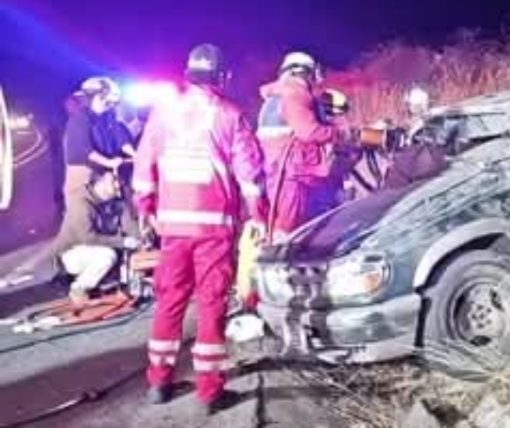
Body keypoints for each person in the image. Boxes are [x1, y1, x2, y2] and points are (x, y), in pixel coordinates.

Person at [132, 43, 266, 414]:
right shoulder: (230, 115)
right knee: (211, 304)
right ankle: (209, 391)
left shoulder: (163, 113)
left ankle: (159, 383)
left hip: (172, 228)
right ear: (222, 77)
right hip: (214, 231)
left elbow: (144, 165)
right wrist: (258, 215)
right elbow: (250, 175)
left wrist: (144, 206)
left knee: (169, 301)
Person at [256, 51, 351, 242]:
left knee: (282, 228)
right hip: (292, 174)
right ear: (305, 72)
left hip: (278, 171)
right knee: (290, 231)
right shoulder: (295, 92)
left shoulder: (277, 95)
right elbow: (308, 131)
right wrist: (337, 134)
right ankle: (283, 258)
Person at [0, 172, 139, 299]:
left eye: (118, 181)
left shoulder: (116, 201)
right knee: (107, 256)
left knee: (117, 255)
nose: (117, 185)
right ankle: (79, 288)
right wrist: (123, 242)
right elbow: (87, 237)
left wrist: (139, 239)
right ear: (100, 182)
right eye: (113, 181)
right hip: (69, 253)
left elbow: (129, 224)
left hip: (93, 249)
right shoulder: (81, 202)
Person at [61, 77, 125, 207]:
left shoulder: (100, 120)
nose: (109, 107)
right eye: (107, 102)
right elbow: (85, 150)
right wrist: (108, 162)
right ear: (96, 98)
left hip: (97, 176)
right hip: (82, 179)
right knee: (82, 214)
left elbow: (118, 140)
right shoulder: (80, 119)